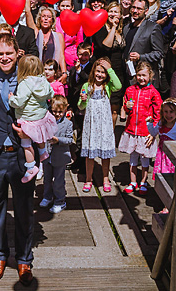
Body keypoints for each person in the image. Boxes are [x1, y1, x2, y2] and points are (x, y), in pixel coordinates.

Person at [0, 35, 37, 285]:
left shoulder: (29, 78)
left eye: (8, 53)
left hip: (21, 153)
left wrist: (31, 133)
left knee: (23, 209)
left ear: (17, 53)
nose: (4, 58)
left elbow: (44, 113)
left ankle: (24, 259)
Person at [8, 54, 56, 185]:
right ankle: (43, 152)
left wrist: (11, 99)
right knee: (39, 137)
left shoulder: (25, 83)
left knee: (26, 144)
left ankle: (31, 167)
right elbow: (51, 94)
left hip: (28, 118)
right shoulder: (43, 80)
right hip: (41, 117)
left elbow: (19, 102)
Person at [78, 57, 121, 194]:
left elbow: (118, 85)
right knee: (90, 154)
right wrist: (83, 101)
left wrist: (110, 69)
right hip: (91, 125)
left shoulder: (107, 86)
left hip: (104, 125)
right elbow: (80, 106)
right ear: (93, 71)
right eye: (98, 71)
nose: (100, 75)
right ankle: (89, 179)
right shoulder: (87, 86)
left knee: (105, 154)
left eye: (103, 72)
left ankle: (105, 178)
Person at [119, 60, 162, 194]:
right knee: (132, 158)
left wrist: (153, 132)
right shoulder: (130, 90)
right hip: (132, 129)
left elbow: (158, 113)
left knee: (145, 158)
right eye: (139, 75)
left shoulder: (153, 92)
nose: (141, 78)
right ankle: (132, 182)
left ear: (150, 75)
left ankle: (143, 182)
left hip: (145, 132)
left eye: (144, 75)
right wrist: (126, 107)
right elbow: (125, 106)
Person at [40, 96, 73, 215]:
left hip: (60, 156)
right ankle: (47, 196)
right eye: (54, 111)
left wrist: (58, 140)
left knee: (59, 180)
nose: (57, 114)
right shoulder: (46, 121)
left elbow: (70, 140)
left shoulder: (68, 124)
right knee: (47, 178)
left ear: (65, 110)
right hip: (47, 155)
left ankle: (60, 201)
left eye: (60, 112)